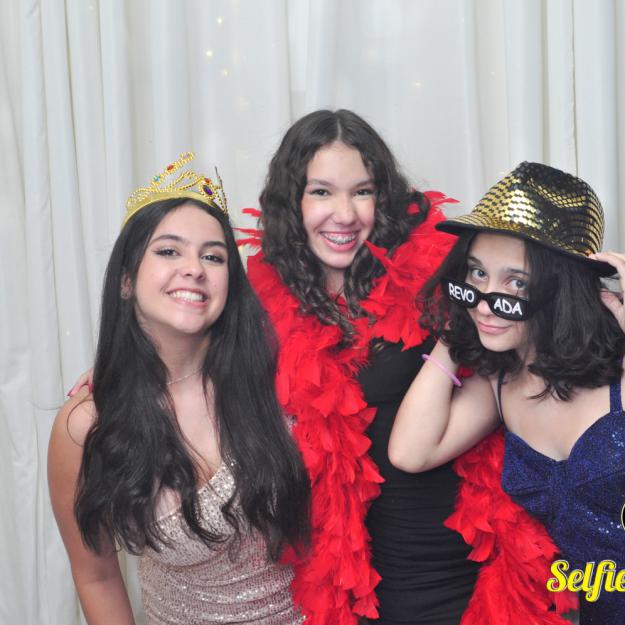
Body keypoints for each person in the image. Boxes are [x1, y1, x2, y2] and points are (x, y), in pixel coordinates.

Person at [240, 110, 557, 625]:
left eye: (362, 192)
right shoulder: (260, 306)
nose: (344, 214)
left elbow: (531, 325)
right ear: (291, 201)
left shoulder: (439, 276)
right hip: (353, 579)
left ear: (383, 197)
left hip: (461, 561)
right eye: (321, 192)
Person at [49, 153, 310, 625]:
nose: (194, 268)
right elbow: (96, 577)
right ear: (126, 280)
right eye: (169, 251)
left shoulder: (282, 378)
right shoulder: (86, 424)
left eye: (213, 256)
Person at [389, 161, 625, 624]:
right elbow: (410, 452)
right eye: (476, 274)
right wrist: (457, 329)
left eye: (516, 282)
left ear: (562, 289)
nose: (485, 299)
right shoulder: (501, 383)